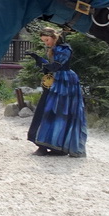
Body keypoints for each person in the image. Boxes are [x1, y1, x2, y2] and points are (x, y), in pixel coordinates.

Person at [25, 27, 87, 157]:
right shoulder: (54, 49)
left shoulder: (65, 49)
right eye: (44, 41)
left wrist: (42, 63)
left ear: (54, 37)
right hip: (56, 80)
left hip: (65, 82)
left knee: (58, 111)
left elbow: (55, 66)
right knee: (46, 110)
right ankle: (44, 144)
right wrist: (38, 58)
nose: (46, 43)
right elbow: (51, 67)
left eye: (47, 40)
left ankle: (57, 147)